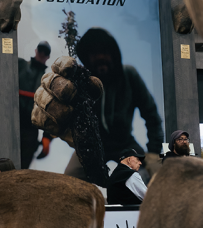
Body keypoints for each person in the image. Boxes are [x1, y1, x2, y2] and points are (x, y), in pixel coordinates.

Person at [66, 27, 164, 182]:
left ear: (113, 54)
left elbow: (151, 115)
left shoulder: (129, 75)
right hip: (91, 147)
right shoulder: (82, 83)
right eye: (94, 54)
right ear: (87, 57)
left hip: (125, 144)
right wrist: (47, 137)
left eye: (104, 52)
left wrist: (153, 153)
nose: (100, 57)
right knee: (69, 181)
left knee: (154, 177)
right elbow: (64, 113)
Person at [19, 41, 52, 168]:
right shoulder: (20, 65)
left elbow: (50, 111)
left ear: (48, 57)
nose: (42, 54)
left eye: (46, 52)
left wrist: (47, 137)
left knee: (21, 171)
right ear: (35, 50)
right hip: (11, 126)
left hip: (31, 133)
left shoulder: (48, 81)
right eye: (41, 50)